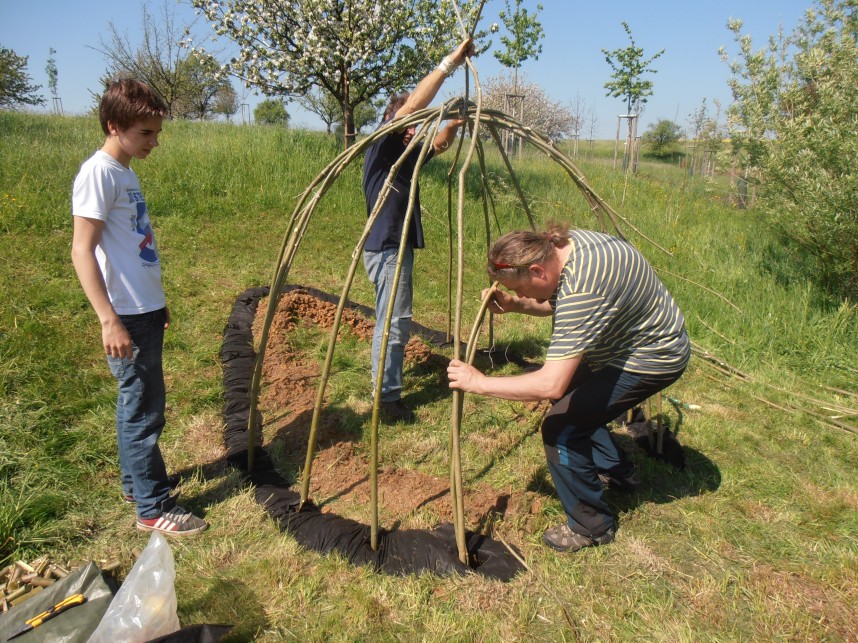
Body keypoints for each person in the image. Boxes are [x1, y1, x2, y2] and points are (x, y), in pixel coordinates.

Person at [447, 223, 690, 552]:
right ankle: (618, 472)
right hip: (625, 345)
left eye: (519, 288)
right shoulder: (566, 246)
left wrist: (479, 382)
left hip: (652, 358)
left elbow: (550, 383)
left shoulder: (583, 288)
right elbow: (557, 300)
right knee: (574, 402)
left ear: (537, 270)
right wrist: (517, 304)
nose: (521, 295)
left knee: (560, 427)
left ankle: (591, 526)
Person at [71, 79, 208, 536]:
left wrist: (157, 303)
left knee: (139, 403)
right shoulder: (99, 174)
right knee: (144, 411)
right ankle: (153, 508)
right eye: (146, 133)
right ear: (114, 125)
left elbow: (133, 247)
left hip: (143, 309)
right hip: (125, 314)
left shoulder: (124, 172)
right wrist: (109, 319)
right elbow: (81, 250)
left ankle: (136, 485)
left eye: (157, 133)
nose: (154, 142)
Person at [363, 38, 475, 423]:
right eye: (410, 125)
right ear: (394, 122)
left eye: (417, 127)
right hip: (387, 247)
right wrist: (450, 62)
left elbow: (439, 145)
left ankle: (386, 388)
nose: (415, 130)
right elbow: (411, 107)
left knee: (396, 319)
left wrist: (454, 124)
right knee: (394, 322)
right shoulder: (383, 145)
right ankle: (386, 397)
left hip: (397, 247)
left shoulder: (406, 157)